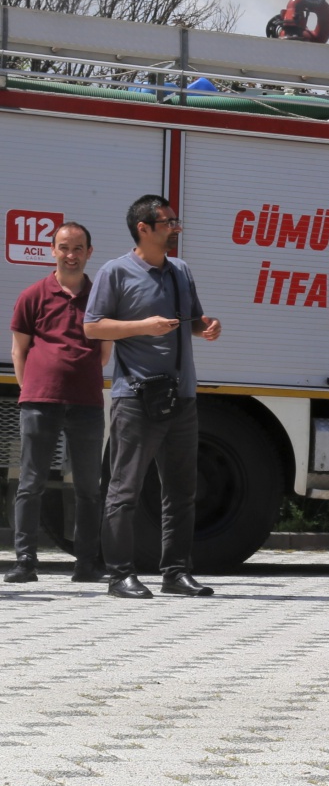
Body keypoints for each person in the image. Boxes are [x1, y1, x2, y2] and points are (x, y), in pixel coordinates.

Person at [83, 195, 222, 599]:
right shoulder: (115, 271)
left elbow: (192, 323)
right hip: (137, 397)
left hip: (182, 397)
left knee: (181, 490)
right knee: (124, 489)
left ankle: (175, 572)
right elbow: (93, 328)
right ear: (143, 228)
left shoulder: (181, 270)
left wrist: (209, 327)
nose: (174, 228)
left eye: (174, 221)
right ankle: (119, 575)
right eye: (167, 222)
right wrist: (142, 325)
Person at [8, 223, 111, 584]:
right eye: (64, 247)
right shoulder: (33, 295)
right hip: (40, 401)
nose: (71, 254)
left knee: (88, 487)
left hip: (86, 403)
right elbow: (19, 351)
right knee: (31, 483)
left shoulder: (100, 297)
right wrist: (30, 389)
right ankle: (25, 563)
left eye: (78, 248)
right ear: (52, 250)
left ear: (89, 252)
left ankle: (86, 565)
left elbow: (104, 352)